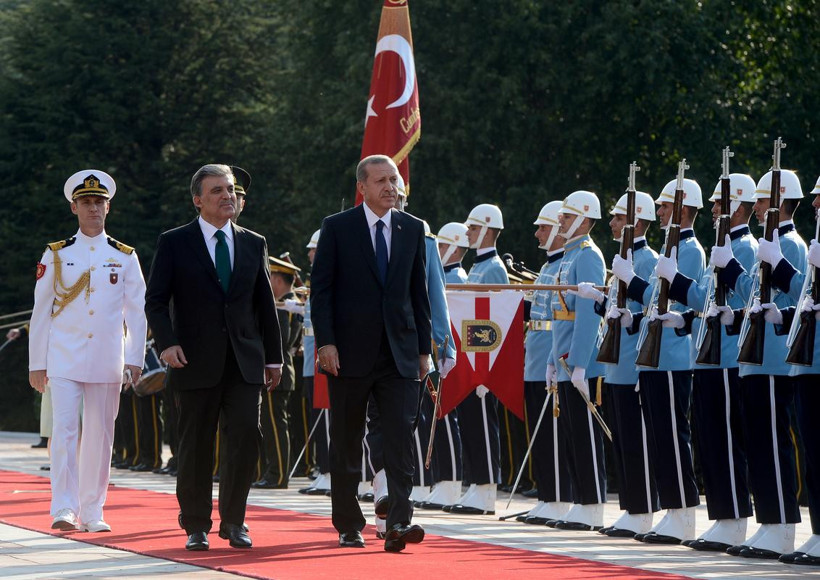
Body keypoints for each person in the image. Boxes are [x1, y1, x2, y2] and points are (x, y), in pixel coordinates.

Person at [145, 163, 283, 551]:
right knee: (195, 446)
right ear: (198, 200)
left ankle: (235, 521)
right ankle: (196, 524)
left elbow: (264, 306)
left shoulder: (254, 242)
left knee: (244, 437)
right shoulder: (174, 242)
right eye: (218, 190)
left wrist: (274, 359)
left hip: (244, 362)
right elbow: (156, 301)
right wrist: (167, 343)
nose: (228, 196)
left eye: (231, 189)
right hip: (192, 361)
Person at [310, 154, 432, 552]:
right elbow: (322, 292)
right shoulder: (337, 227)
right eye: (381, 181)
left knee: (399, 440)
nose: (390, 188)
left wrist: (423, 350)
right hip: (348, 354)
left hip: (399, 354)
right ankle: (348, 523)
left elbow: (420, 294)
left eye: (393, 181)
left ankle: (398, 522)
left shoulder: (413, 228)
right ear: (362, 187)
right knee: (346, 442)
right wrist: (326, 342)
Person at [28, 169, 147, 533]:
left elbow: (137, 311)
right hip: (64, 356)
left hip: (106, 359)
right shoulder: (56, 254)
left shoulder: (125, 256)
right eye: (86, 203)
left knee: (100, 435)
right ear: (74, 207)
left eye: (99, 202)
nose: (92, 208)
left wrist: (134, 358)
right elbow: (42, 310)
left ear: (108, 207)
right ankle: (63, 507)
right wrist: (37, 362)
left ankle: (93, 510)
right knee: (63, 432)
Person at [655, 173, 758, 550]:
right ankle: (723, 517)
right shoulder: (725, 245)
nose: (715, 210)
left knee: (727, 440)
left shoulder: (744, 247)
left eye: (721, 204)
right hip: (709, 355)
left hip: (728, 356)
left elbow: (727, 299)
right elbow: (706, 299)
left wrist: (677, 282)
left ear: (738, 206)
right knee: (710, 439)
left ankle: (734, 518)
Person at [709, 168, 806, 558]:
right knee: (760, 442)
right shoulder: (770, 243)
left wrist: (735, 270)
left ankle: (782, 523)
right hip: (754, 357)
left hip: (773, 358)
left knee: (774, 440)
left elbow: (797, 298)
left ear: (780, 203)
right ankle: (770, 520)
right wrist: (732, 276)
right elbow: (752, 291)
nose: (757, 209)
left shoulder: (793, 244)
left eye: (764, 202)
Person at [612, 176, 704, 544]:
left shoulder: (692, 250)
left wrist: (632, 281)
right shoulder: (672, 251)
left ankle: (683, 514)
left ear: (683, 210)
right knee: (660, 438)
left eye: (665, 207)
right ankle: (672, 510)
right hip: (654, 357)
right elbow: (653, 304)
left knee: (673, 436)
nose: (660, 212)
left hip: (673, 358)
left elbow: (683, 301)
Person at [576, 190, 661, 537]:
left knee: (636, 440)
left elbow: (652, 308)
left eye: (618, 218)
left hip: (632, 363)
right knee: (624, 440)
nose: (611, 223)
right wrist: (599, 299)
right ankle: (630, 507)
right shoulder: (624, 258)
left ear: (637, 222)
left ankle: (642, 510)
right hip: (614, 363)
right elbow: (615, 310)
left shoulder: (647, 260)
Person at [763, 175, 820, 566]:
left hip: (813, 359)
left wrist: (781, 266)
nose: (816, 205)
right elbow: (804, 296)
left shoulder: (801, 245)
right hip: (805, 359)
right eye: (815, 199)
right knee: (813, 452)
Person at [547, 190, 608, 531]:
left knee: (585, 435)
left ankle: (593, 502)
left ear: (584, 219)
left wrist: (581, 361)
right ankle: (582, 500)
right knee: (572, 433)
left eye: (567, 218)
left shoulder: (588, 256)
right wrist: (554, 361)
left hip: (581, 359)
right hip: (566, 356)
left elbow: (589, 313)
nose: (561, 222)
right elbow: (561, 314)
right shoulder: (570, 257)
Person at [446, 203, 507, 516]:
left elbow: (496, 321)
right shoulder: (478, 267)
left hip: (483, 360)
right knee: (471, 424)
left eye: (472, 228)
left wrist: (487, 370)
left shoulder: (493, 266)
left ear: (485, 228)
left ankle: (485, 490)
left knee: (483, 425)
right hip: (472, 359)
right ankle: (476, 484)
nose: (467, 233)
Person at [518, 201, 573, 525]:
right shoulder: (549, 267)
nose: (538, 232)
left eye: (543, 227)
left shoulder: (563, 264)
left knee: (554, 432)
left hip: (551, 354)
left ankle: (559, 497)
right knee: (539, 434)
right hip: (536, 353)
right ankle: (546, 495)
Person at [253, 256, 304, 489]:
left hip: (279, 374)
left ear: (277, 278)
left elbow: (280, 341)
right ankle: (273, 472)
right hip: (281, 373)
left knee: (275, 427)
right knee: (272, 426)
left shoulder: (285, 306)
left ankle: (279, 474)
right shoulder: (286, 303)